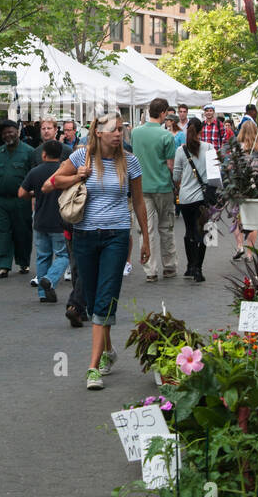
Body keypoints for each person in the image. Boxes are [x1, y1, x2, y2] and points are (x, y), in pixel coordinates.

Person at [45, 111, 149, 389]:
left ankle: (92, 368)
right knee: (92, 301)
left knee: (106, 296)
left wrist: (145, 239)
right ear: (99, 132)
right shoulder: (81, 158)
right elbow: (50, 184)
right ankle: (108, 351)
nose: (119, 133)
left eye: (121, 129)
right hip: (85, 237)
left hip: (116, 235)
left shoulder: (130, 162)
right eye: (114, 129)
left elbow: (138, 202)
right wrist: (77, 176)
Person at [130, 97, 178, 281]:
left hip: (141, 186)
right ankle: (169, 266)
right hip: (163, 186)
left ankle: (150, 269)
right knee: (166, 227)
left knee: (145, 228)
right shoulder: (166, 135)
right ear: (164, 113)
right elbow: (170, 165)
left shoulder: (136, 132)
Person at [18, 139, 68, 302]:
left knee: (42, 256)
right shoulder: (64, 171)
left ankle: (42, 292)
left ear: (44, 154)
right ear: (60, 155)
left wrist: (32, 194)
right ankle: (50, 279)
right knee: (63, 255)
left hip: (40, 219)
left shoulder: (35, 171)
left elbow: (21, 193)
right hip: (60, 220)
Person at [173, 118, 219, 283]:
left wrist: (181, 184)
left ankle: (190, 266)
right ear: (202, 131)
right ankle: (198, 268)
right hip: (203, 198)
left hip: (185, 198)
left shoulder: (181, 150)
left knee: (189, 231)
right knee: (204, 232)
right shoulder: (209, 148)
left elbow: (176, 176)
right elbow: (215, 174)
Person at [0, 120, 34, 278]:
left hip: (22, 201)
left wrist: (34, 199)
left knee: (22, 232)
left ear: (18, 131)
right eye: (4, 133)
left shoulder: (29, 152)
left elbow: (34, 178)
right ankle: (2, 265)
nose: (8, 135)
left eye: (10, 131)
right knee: (2, 232)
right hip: (1, 201)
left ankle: (23, 262)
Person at [231, 120, 258, 259]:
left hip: (240, 186)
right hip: (256, 187)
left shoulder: (237, 148)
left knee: (236, 218)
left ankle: (239, 246)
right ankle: (250, 253)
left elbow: (232, 167)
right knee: (253, 221)